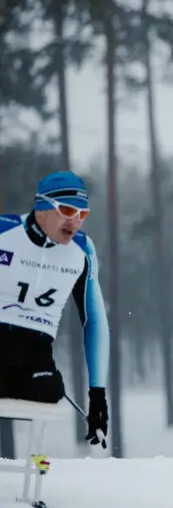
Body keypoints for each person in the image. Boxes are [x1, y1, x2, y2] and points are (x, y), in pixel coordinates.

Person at [0, 171, 110, 447]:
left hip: (35, 356)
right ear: (41, 208)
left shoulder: (82, 250)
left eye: (83, 214)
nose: (75, 221)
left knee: (49, 390)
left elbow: (94, 321)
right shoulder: (4, 231)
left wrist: (98, 395)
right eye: (67, 210)